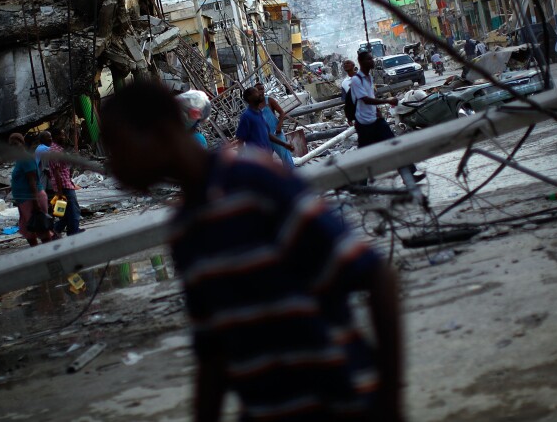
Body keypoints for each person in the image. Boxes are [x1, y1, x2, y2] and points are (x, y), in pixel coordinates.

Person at [100, 81, 404, 422]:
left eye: (116, 147)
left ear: (157, 132)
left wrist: (389, 400)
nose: (114, 166)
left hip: (342, 401)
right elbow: (213, 353)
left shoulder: (253, 181)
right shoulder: (185, 229)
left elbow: (376, 276)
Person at [351, 50, 425, 182]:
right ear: (361, 62)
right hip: (364, 124)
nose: (372, 61)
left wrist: (378, 112)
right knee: (364, 155)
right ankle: (358, 183)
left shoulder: (369, 78)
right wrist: (387, 101)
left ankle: (409, 175)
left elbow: (371, 97)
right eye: (369, 59)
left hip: (376, 120)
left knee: (394, 146)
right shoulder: (357, 80)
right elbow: (365, 99)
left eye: (371, 58)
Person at [9, 133, 53, 246]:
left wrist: (36, 203)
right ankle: (39, 253)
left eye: (16, 144)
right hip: (24, 201)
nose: (13, 147)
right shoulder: (20, 159)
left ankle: (50, 254)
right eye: (11, 145)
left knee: (41, 229)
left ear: (22, 143)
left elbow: (32, 181)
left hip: (32, 199)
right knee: (28, 231)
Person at [235, 87, 294, 159]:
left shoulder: (259, 113)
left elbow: (268, 134)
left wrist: (284, 144)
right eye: (256, 92)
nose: (259, 93)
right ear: (249, 98)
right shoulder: (246, 116)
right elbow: (241, 140)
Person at [48, 128, 84, 237]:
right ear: (56, 136)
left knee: (64, 212)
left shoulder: (56, 149)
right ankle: (73, 232)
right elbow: (57, 172)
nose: (64, 137)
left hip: (63, 185)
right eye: (62, 135)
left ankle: (55, 232)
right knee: (73, 210)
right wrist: (59, 191)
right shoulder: (55, 151)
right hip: (63, 186)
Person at [255, 82, 295, 170]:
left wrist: (279, 127)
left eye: (262, 89)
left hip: (276, 133)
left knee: (285, 155)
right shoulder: (254, 106)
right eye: (258, 89)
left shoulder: (269, 100)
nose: (261, 91)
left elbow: (282, 113)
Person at [35, 131, 54, 202]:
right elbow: (46, 169)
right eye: (48, 137)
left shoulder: (39, 148)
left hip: (40, 178)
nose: (50, 139)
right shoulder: (45, 150)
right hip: (46, 182)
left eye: (51, 136)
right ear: (42, 140)